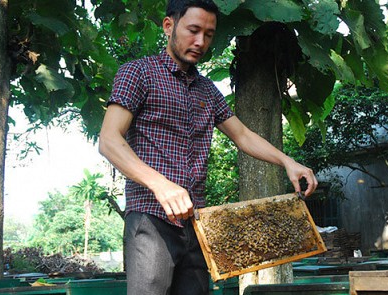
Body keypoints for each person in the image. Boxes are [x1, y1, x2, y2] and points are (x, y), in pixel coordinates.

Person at [98, 0, 318, 294]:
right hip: (150, 219)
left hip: (198, 224)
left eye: (209, 34)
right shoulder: (137, 73)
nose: (200, 42)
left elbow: (242, 135)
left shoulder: (207, 90)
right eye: (193, 30)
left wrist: (288, 161)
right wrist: (161, 185)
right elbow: (109, 140)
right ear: (168, 26)